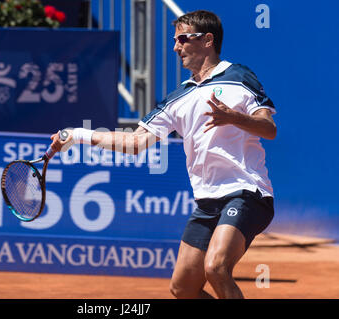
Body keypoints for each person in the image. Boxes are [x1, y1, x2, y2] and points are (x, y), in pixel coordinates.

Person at [50, 10, 277, 299]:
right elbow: (136, 142)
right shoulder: (176, 97)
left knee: (217, 268)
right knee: (182, 289)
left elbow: (269, 129)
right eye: (174, 40)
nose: (176, 47)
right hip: (207, 201)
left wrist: (234, 117)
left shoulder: (239, 76)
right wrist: (79, 135)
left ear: (208, 40)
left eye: (183, 39)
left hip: (246, 192)